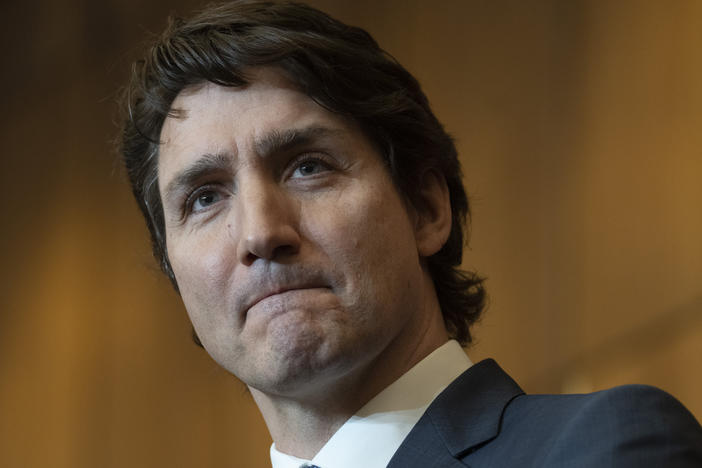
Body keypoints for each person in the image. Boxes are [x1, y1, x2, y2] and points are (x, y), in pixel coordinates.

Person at [119, 1, 702, 466]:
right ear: (177, 276)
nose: (260, 233)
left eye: (307, 166)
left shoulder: (600, 450)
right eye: (204, 198)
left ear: (425, 208)